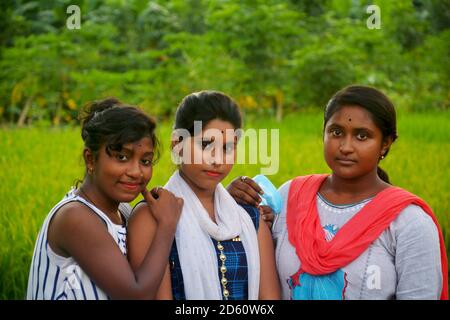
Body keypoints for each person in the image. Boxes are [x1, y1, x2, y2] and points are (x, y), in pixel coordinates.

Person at [228, 85, 448, 300]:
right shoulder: (290, 196)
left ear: (385, 144)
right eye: (336, 132)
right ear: (323, 133)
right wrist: (229, 203)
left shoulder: (409, 222)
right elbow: (249, 268)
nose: (345, 146)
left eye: (362, 136)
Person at [127, 90, 280, 300]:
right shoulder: (152, 217)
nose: (217, 159)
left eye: (227, 147)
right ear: (177, 145)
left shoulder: (250, 220)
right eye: (206, 144)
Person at [26, 98, 183, 300]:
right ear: (90, 159)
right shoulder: (75, 218)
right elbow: (136, 295)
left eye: (145, 161)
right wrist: (167, 225)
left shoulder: (123, 211)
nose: (136, 172)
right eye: (122, 157)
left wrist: (224, 198)